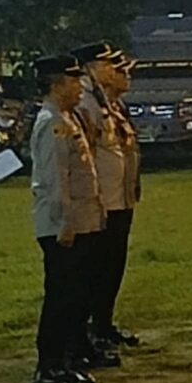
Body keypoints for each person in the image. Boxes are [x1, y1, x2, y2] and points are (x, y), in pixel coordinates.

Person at [29, 52, 105, 383]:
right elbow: (55, 179)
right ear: (57, 85)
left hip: (78, 221)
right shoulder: (52, 123)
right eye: (74, 82)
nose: (80, 89)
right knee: (61, 297)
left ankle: (62, 361)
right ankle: (50, 367)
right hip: (63, 225)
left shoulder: (66, 118)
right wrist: (65, 222)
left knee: (73, 295)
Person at [75, 42, 143, 358]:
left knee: (112, 266)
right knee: (98, 268)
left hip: (120, 197)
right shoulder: (88, 104)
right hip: (103, 199)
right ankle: (92, 330)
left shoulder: (110, 104)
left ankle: (102, 324)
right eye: (109, 66)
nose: (117, 73)